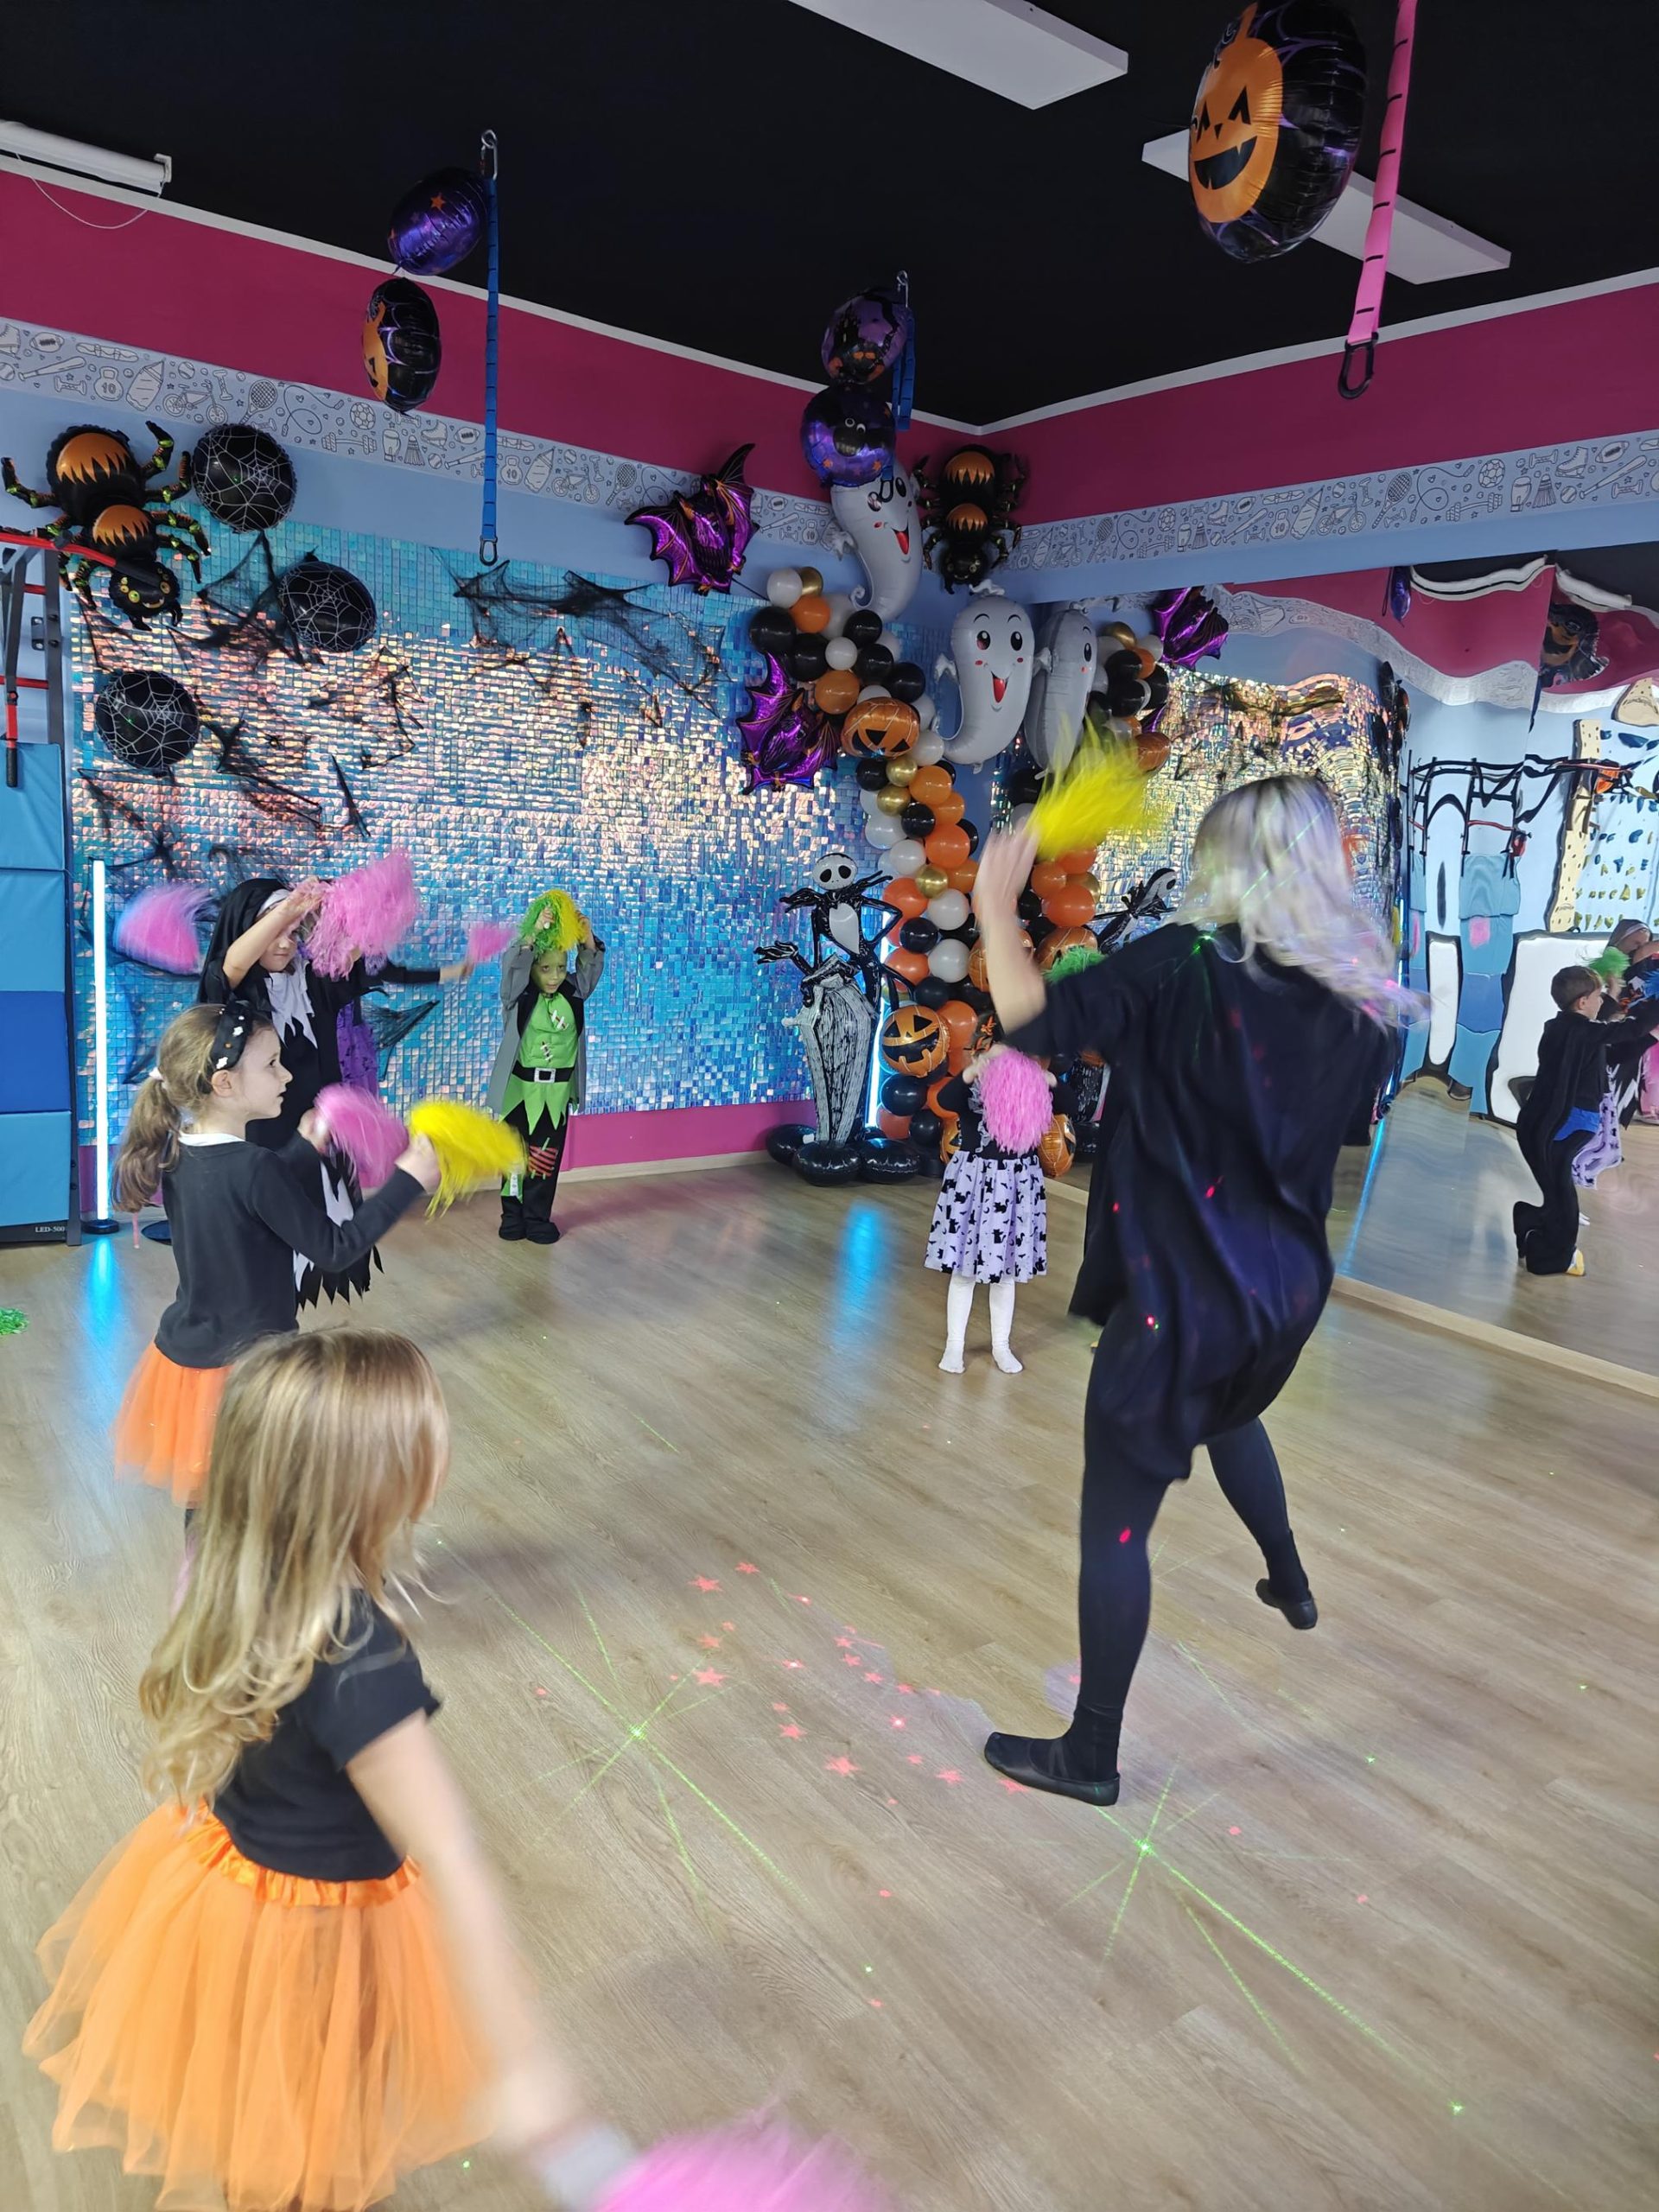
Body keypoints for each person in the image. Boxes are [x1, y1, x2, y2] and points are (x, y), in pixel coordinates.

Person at [28, 1329, 646, 2212]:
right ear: (376, 1478)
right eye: (427, 1439)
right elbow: (454, 1857)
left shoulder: (231, 1563)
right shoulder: (360, 1663)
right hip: (317, 1937)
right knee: (312, 2130)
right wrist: (524, 2063)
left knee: (267, 2104)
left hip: (230, 1897)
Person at [970, 775, 1410, 1806]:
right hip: (1284, 1294)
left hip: (1178, 1297)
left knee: (1116, 1527)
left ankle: (1090, 1756)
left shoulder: (1183, 963)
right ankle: (1289, 1578)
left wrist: (993, 903)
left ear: (1229, 862)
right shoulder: (1364, 1004)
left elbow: (1030, 1021)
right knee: (1229, 1413)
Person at [111, 1003, 438, 1505]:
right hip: (253, 1369)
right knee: (267, 1496)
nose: (287, 1075)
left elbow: (247, 1198)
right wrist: (408, 1181)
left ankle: (204, 1558)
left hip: (188, 1359)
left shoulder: (178, 1153)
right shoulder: (253, 1167)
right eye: (271, 1065)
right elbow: (335, 1249)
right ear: (224, 1084)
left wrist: (305, 1147)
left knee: (210, 1492)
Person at [195, 875, 468, 1300]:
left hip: (312, 1127)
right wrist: (290, 908)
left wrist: (353, 908)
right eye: (273, 930)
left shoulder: (311, 981)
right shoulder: (233, 992)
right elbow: (231, 964)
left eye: (294, 933)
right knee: (261, 1241)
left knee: (313, 1237)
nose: (285, 943)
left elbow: (356, 952)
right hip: (261, 1133)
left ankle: (282, 1305)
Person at [926, 1029, 1071, 1376]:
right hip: (974, 1182)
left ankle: (1001, 1346)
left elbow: (1071, 1104)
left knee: (1006, 1274)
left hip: (1017, 1184)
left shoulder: (1032, 1090)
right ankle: (954, 1346)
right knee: (964, 1271)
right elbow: (946, 1098)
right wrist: (975, 1070)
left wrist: (1048, 1078)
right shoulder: (974, 1085)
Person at [1513, 964, 1659, 1276]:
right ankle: (1554, 1255)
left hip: (1566, 1121)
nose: (1602, 1001)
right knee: (1562, 1194)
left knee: (1559, 1189)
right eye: (1598, 996)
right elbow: (1627, 1029)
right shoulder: (1578, 1032)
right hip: (1571, 1122)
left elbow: (1613, 1053)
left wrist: (1650, 1036)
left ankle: (1533, 1224)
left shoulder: (1567, 1030)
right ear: (1582, 1002)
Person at [486, 890, 606, 1245]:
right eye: (545, 968)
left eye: (561, 968)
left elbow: (590, 968)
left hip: (555, 1094)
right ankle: (512, 1215)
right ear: (533, 968)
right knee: (513, 1157)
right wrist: (532, 934)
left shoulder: (573, 993)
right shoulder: (518, 995)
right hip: (520, 1091)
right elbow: (513, 966)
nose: (554, 977)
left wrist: (586, 938)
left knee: (545, 1158)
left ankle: (537, 1217)